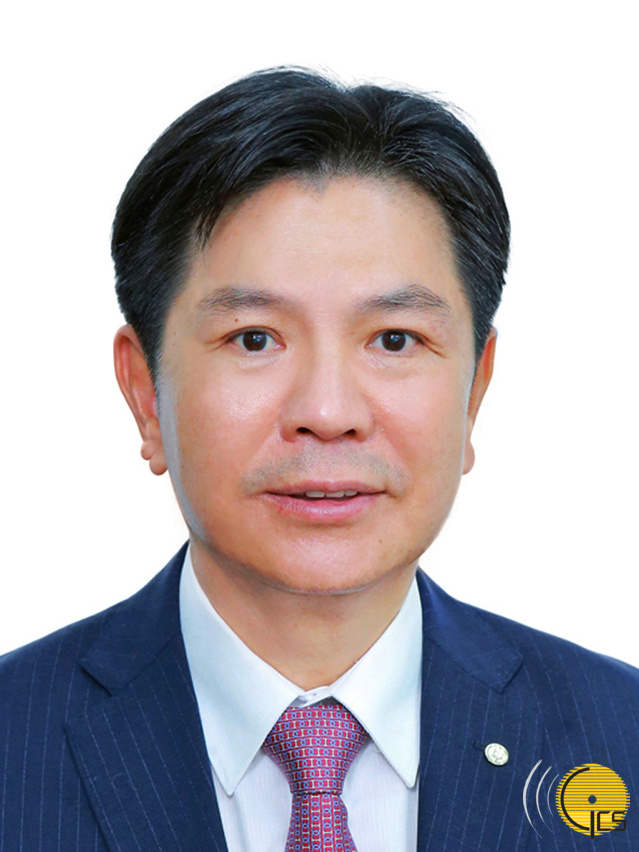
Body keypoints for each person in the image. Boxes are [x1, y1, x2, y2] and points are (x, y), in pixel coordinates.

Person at [0, 68, 637, 852]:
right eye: (253, 339)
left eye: (394, 340)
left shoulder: (620, 734)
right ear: (144, 394)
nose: (328, 414)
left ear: (474, 389)